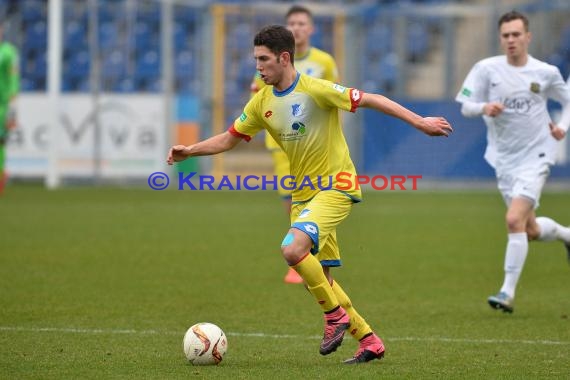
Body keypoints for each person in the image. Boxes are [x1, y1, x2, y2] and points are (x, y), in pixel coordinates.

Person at [168, 25, 452, 363]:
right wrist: (191, 150)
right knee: (317, 279)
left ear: (284, 58)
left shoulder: (316, 90)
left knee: (292, 249)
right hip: (303, 196)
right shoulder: (261, 102)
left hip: (336, 186)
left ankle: (335, 317)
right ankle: (369, 340)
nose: (257, 67)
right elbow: (230, 138)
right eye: (255, 59)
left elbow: (372, 99)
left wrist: (420, 122)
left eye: (263, 59)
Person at [456, 11, 570, 314]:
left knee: (512, 219)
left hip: (538, 154)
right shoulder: (486, 69)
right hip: (504, 159)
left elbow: (568, 99)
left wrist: (563, 127)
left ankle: (506, 292)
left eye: (516, 34)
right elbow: (465, 105)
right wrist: (484, 107)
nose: (511, 40)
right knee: (529, 229)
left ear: (527, 37)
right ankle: (566, 235)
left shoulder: (545, 72)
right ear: (500, 38)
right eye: (506, 35)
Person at [250, 5, 339, 284]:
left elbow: (333, 95)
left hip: (314, 142)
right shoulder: (271, 60)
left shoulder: (323, 61)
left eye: (302, 23)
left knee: (318, 198)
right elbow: (259, 90)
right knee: (291, 199)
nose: (297, 27)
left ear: (311, 29)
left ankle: (308, 253)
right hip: (282, 143)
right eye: (292, 23)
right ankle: (297, 256)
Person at [0, 19, 19, 195]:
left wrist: (12, 111)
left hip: (1, 106)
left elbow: (13, 80)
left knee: (0, 142)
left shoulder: (8, 52)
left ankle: (1, 174)